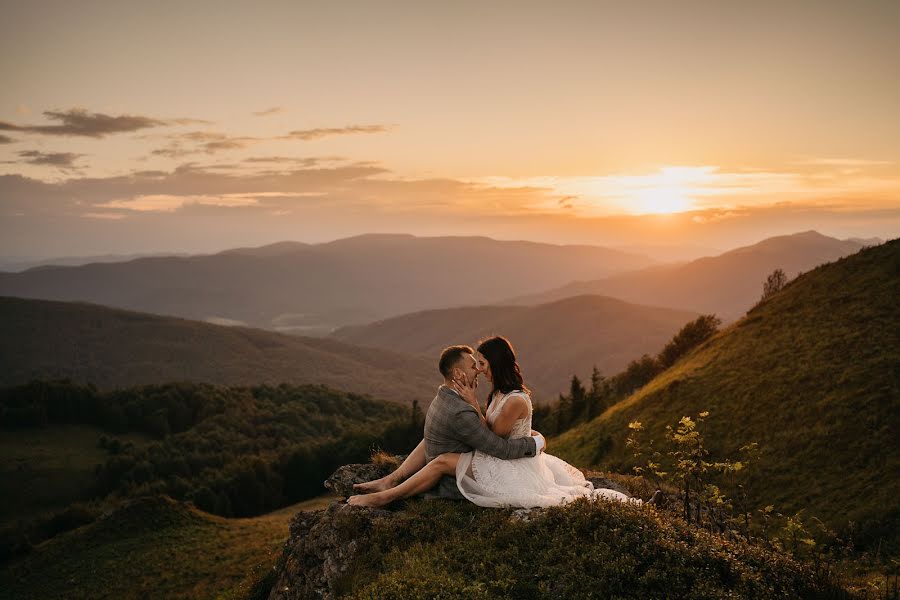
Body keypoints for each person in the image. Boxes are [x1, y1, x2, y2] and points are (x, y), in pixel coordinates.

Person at [348, 336, 644, 508]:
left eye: (483, 364)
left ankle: (386, 496)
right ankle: (391, 482)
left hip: (505, 462)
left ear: (496, 364)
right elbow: (491, 436)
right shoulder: (496, 393)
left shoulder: (509, 399)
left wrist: (534, 442)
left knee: (567, 497)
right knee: (438, 454)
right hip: (496, 455)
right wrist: (479, 407)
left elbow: (498, 445)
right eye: (475, 364)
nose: (479, 368)